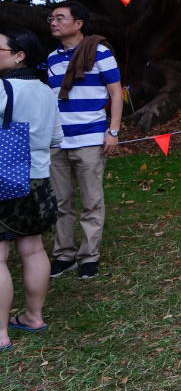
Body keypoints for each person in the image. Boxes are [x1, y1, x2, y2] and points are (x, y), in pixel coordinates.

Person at [46, 1, 122, 280]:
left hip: (90, 137)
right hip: (57, 140)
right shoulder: (52, 58)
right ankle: (64, 255)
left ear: (78, 23)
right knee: (60, 202)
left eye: (60, 18)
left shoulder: (100, 53)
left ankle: (89, 257)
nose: (53, 22)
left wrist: (112, 132)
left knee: (91, 200)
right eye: (51, 18)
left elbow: (116, 94)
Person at [0, 27, 62, 352]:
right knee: (34, 250)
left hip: (3, 180)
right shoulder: (45, 90)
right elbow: (56, 139)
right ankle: (33, 317)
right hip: (38, 180)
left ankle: (0, 334)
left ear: (18, 55)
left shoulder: (2, 87)